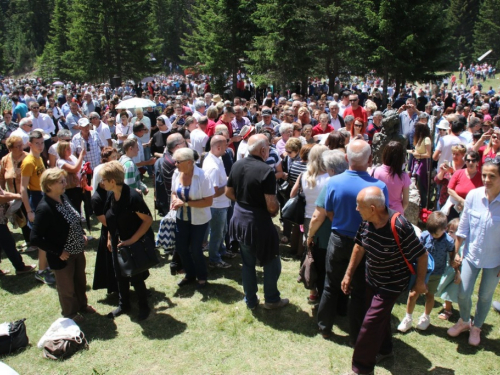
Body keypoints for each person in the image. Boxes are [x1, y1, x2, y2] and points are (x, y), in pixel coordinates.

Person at [341, 187, 428, 375]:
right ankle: (386, 349)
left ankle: (361, 368)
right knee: (380, 317)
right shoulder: (366, 221)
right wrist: (348, 274)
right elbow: (359, 246)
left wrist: (420, 282)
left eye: (359, 206)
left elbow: (422, 255)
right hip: (371, 279)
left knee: (370, 323)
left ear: (373, 208)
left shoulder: (400, 226)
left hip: (392, 284)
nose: (356, 209)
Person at [318, 139, 389, 344]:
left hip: (339, 238)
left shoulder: (333, 182)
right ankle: (356, 333)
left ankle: (324, 327)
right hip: (366, 244)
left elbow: (328, 211)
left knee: (331, 284)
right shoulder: (379, 187)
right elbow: (381, 219)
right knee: (359, 290)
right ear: (370, 160)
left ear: (347, 158)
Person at [226, 134, 288, 310]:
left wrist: (244, 201)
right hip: (258, 222)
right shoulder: (266, 171)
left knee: (248, 262)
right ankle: (271, 299)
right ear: (263, 150)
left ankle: (251, 301)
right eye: (268, 146)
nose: (269, 149)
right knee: (271, 260)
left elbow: (228, 192)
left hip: (239, 218)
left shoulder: (237, 164)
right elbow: (271, 206)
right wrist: (269, 208)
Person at [30, 168, 95, 324]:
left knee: (80, 281)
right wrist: (58, 251)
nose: (65, 183)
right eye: (61, 181)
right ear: (49, 185)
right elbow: (35, 237)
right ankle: (70, 313)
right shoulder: (44, 208)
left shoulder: (63, 197)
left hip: (78, 250)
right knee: (67, 288)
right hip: (63, 256)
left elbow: (74, 219)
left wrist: (82, 235)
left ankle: (82, 305)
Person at [447, 157, 500, 346]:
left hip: (495, 260)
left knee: (486, 296)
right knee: (463, 292)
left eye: (492, 176)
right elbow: (463, 229)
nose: (486, 179)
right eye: (484, 175)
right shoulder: (473, 196)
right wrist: (456, 253)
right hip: (471, 255)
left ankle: (476, 327)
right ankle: (464, 321)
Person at [101, 161, 153, 320]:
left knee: (136, 277)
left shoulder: (132, 196)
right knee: (119, 275)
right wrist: (110, 236)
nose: (101, 183)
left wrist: (132, 240)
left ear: (112, 181)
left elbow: (148, 220)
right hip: (117, 241)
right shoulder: (110, 195)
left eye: (104, 179)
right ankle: (124, 305)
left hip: (132, 243)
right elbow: (110, 218)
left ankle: (144, 306)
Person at [397, 211, 454, 332]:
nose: (433, 235)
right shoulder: (424, 235)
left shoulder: (448, 241)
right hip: (421, 271)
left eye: (436, 233)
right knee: (413, 294)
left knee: (430, 295)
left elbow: (452, 251)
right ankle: (408, 318)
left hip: (436, 273)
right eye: (431, 232)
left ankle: (426, 317)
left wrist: (454, 260)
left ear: (445, 228)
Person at [306, 150, 348, 303]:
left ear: (331, 170)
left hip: (326, 238)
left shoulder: (331, 183)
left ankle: (327, 304)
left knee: (325, 273)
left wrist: (310, 236)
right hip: (348, 236)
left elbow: (317, 217)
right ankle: (342, 304)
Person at [171, 148, 214, 288]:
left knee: (196, 249)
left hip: (199, 220)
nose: (175, 164)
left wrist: (186, 203)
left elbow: (208, 201)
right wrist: (174, 201)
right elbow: (173, 192)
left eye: (178, 162)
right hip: (181, 218)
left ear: (189, 162)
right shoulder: (176, 174)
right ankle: (190, 275)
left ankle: (202, 276)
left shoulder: (203, 176)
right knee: (181, 248)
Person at [21, 130, 55, 285]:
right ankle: (41, 272)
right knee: (43, 239)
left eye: (42, 143)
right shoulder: (28, 162)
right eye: (37, 143)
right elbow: (23, 188)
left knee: (48, 235)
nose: (41, 146)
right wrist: (29, 211)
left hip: (43, 196)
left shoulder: (38, 157)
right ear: (30, 144)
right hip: (35, 199)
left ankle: (46, 267)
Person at [203, 135, 236, 269]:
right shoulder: (212, 166)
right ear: (218, 147)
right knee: (217, 233)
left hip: (223, 204)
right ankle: (214, 259)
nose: (227, 149)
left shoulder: (217, 158)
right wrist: (230, 184)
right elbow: (214, 192)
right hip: (216, 206)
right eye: (225, 146)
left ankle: (221, 250)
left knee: (222, 231)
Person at [91, 148, 119, 294]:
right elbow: (105, 220)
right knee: (109, 262)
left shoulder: (110, 191)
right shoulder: (96, 198)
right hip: (108, 231)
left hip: (116, 228)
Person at [0, 135, 34, 251]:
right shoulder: (5, 160)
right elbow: (2, 178)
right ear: (10, 148)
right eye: (17, 146)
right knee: (21, 217)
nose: (21, 148)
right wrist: (3, 192)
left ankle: (35, 241)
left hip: (28, 193)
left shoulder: (28, 158)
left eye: (21, 145)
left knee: (30, 216)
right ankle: (28, 240)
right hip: (13, 195)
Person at [373, 141, 411, 215]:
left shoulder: (376, 171)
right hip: (396, 214)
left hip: (380, 212)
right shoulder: (404, 176)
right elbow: (406, 202)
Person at [445, 150, 483, 220]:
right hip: (454, 206)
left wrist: (466, 204)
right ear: (465, 162)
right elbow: (449, 190)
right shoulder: (458, 173)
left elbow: (481, 195)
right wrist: (461, 201)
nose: (470, 163)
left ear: (477, 162)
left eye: (473, 160)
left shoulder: (481, 177)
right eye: (468, 160)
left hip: (472, 209)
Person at [436, 218, 462, 320]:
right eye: (449, 231)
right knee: (442, 288)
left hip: (455, 272)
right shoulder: (447, 241)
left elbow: (458, 261)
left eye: (452, 232)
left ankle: (448, 310)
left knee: (449, 292)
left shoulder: (461, 246)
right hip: (446, 270)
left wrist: (457, 271)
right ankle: (448, 306)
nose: (449, 234)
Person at [56, 141, 85, 213]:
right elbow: (75, 169)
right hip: (70, 189)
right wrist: (81, 155)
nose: (70, 150)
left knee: (79, 206)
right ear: (62, 150)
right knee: (74, 208)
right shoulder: (61, 162)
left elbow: (81, 167)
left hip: (78, 186)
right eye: (67, 149)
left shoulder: (72, 157)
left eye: (70, 148)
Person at [408, 123, 432, 208]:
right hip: (416, 163)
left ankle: (423, 205)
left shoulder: (426, 139)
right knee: (416, 183)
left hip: (423, 164)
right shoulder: (419, 139)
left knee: (421, 185)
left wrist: (418, 155)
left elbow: (428, 154)